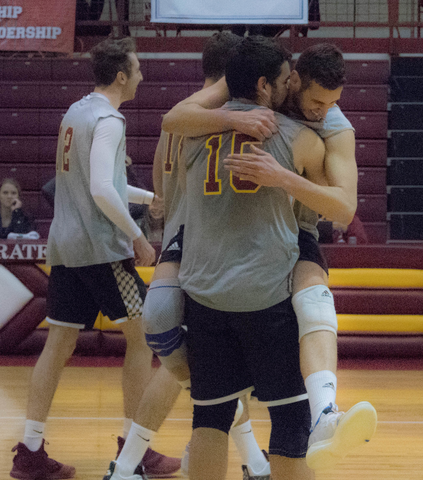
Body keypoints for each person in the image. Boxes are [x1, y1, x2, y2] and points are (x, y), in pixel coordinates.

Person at [161, 42, 377, 472]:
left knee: (312, 288)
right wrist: (232, 118)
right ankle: (306, 417)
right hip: (256, 279)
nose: (322, 110)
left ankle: (325, 411)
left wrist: (282, 178)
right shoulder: (252, 107)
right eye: (316, 100)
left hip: (247, 254)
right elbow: (172, 119)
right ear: (289, 81)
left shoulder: (333, 125)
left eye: (332, 103)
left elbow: (345, 208)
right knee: (156, 317)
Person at [10, 37, 180, 480]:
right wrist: (137, 238)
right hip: (101, 250)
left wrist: (147, 198)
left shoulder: (76, 112)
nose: (142, 76)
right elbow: (102, 189)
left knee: (59, 342)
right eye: (138, 69)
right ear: (121, 75)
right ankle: (135, 447)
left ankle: (29, 450)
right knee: (144, 338)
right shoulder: (109, 119)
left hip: (65, 247)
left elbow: (92, 182)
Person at [138, 32, 274, 480]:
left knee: (187, 346)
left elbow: (159, 188)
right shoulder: (207, 115)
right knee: (187, 349)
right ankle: (133, 453)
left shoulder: (186, 115)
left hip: (192, 238)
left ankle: (250, 458)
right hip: (197, 235)